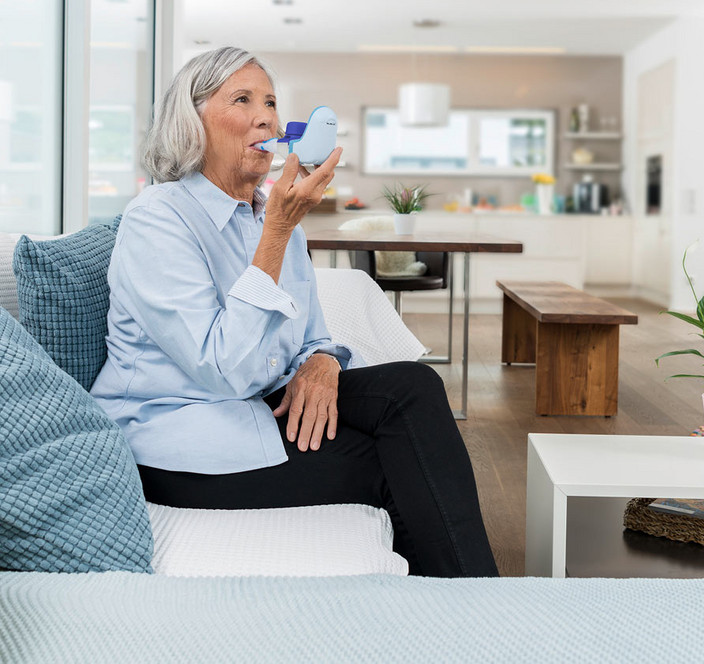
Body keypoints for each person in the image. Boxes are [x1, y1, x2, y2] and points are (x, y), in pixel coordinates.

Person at [91, 46, 498, 578]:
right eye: (243, 99)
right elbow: (223, 369)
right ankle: (474, 612)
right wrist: (278, 231)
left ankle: (468, 604)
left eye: (271, 102)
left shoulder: (269, 216)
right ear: (192, 123)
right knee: (402, 465)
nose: (267, 117)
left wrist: (324, 362)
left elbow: (313, 335)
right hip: (179, 439)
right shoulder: (159, 218)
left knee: (413, 388)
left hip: (262, 402)